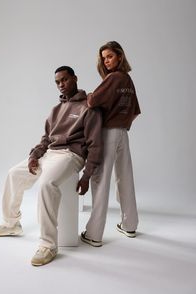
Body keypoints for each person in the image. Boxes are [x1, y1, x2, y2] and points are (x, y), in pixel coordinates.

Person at [0, 66, 103, 266]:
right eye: (57, 82)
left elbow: (95, 144)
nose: (61, 85)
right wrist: (35, 155)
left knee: (46, 184)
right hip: (49, 153)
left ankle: (48, 245)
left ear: (75, 78)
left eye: (65, 80)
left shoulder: (89, 106)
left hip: (71, 155)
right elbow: (45, 139)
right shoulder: (55, 110)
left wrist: (87, 175)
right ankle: (11, 223)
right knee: (13, 174)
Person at [80, 41, 141, 247]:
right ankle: (129, 224)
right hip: (123, 134)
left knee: (100, 180)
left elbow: (92, 101)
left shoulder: (114, 78)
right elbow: (135, 112)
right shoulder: (127, 79)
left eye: (110, 57)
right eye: (104, 58)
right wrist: (121, 123)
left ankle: (94, 234)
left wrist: (89, 95)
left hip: (108, 133)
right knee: (125, 179)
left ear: (120, 57)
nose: (106, 61)